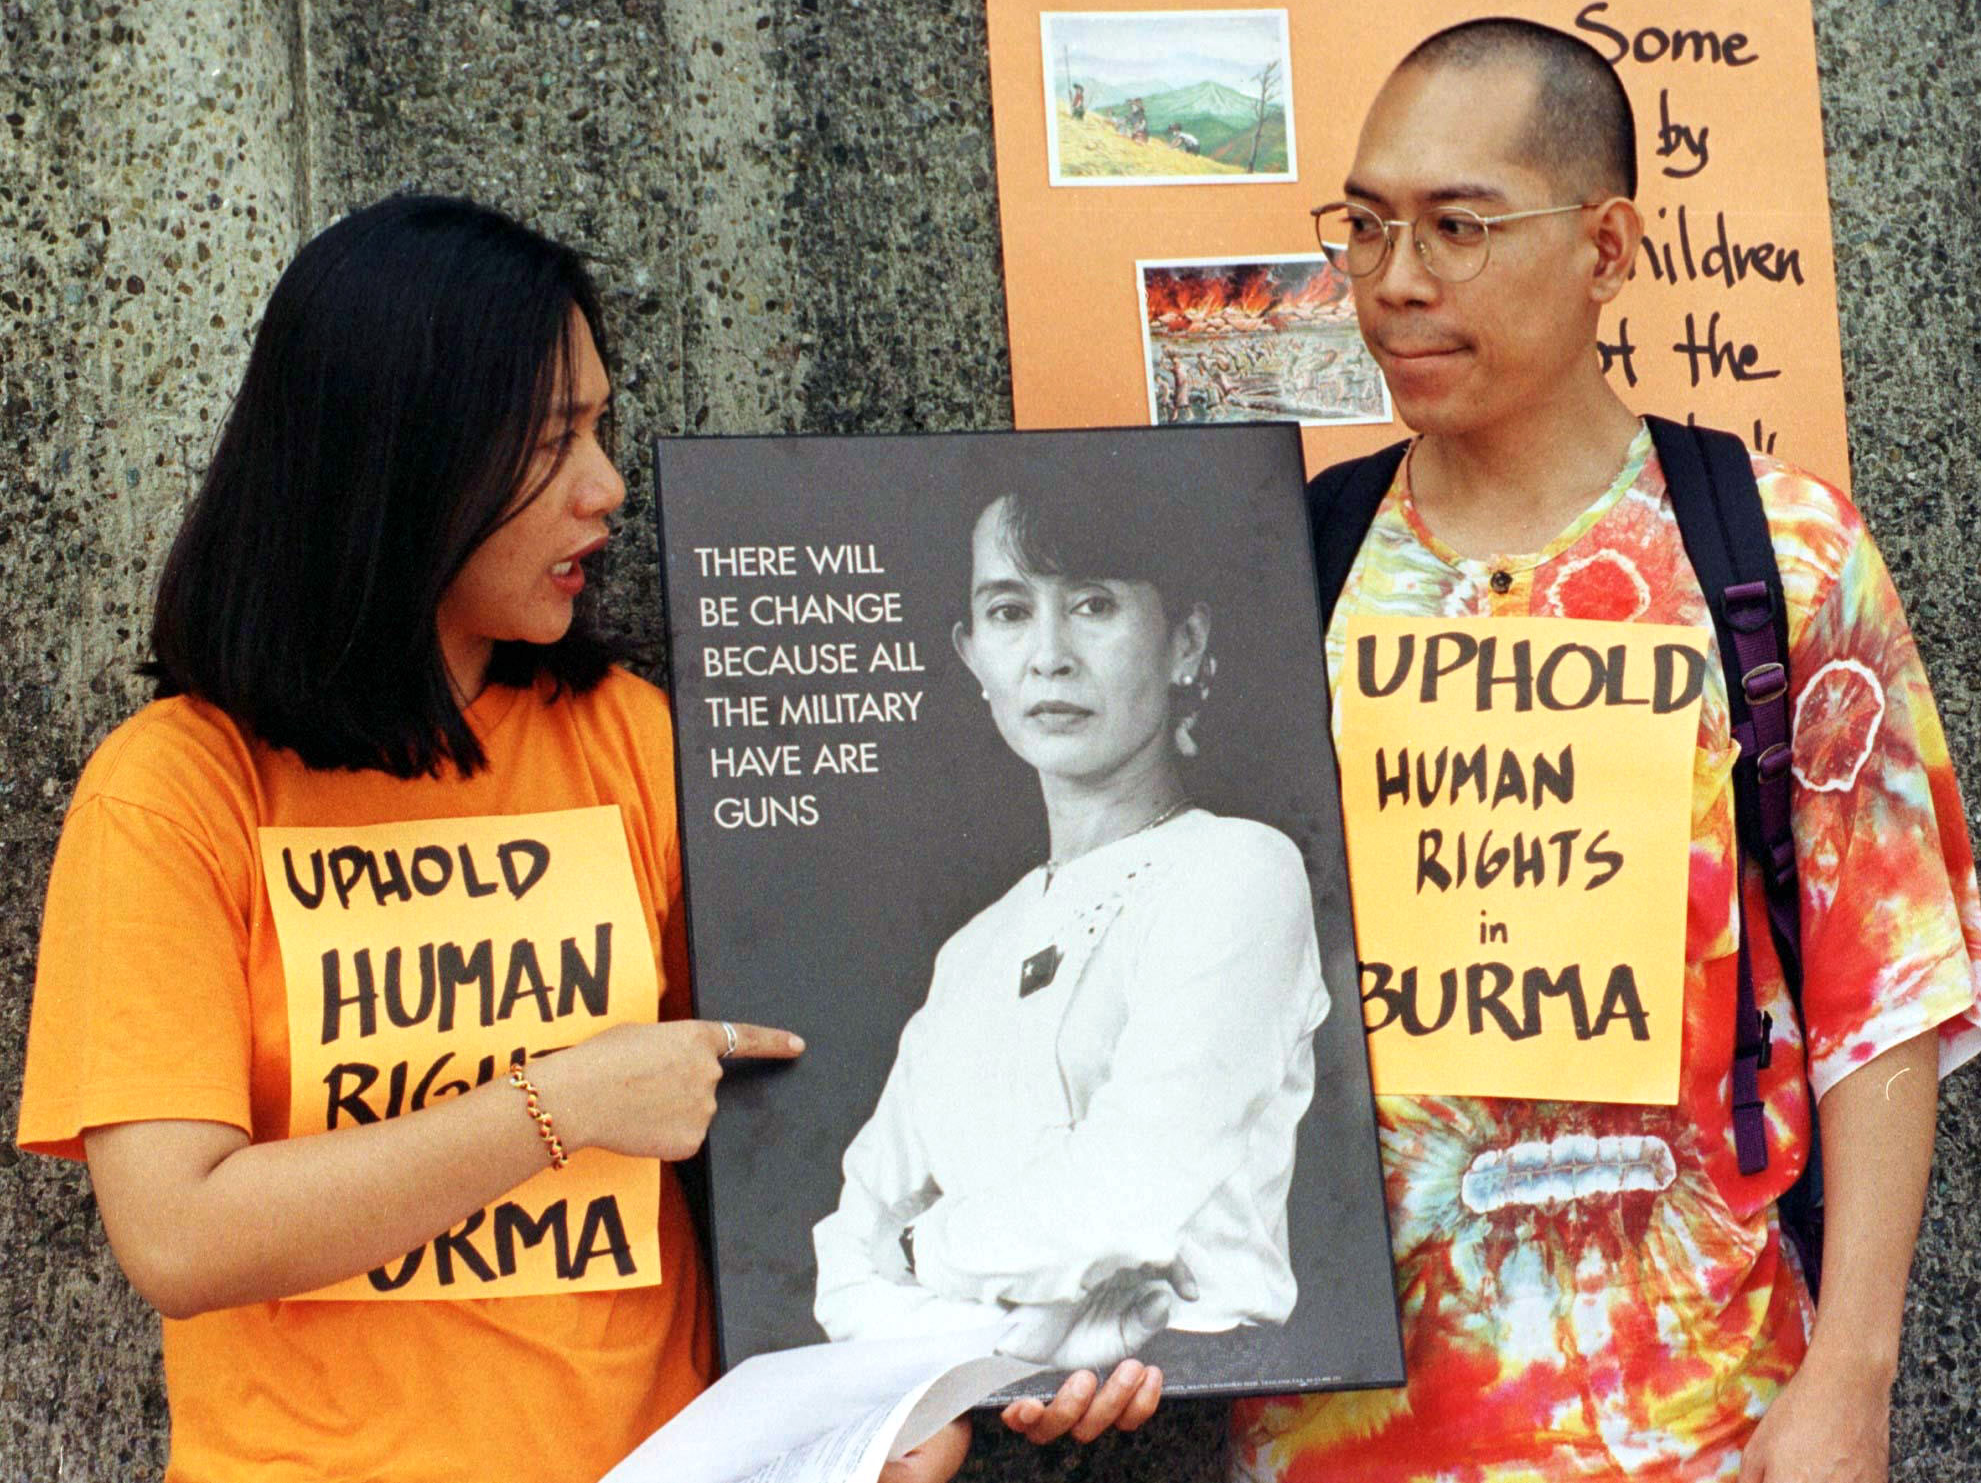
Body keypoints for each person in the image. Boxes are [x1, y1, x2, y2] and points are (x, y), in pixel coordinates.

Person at [13, 193, 1159, 1483]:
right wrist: (557, 1106)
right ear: (404, 455)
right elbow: (179, 1235)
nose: (606, 488)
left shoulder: (634, 740)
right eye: (555, 441)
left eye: (598, 429)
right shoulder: (177, 787)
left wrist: (941, 1384)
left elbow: (818, 1135)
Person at [1233, 18, 1981, 1483]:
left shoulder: (1781, 555)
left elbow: (1880, 991)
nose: (1395, 282)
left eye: (1459, 227)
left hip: (1703, 1415)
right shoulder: (1295, 566)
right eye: (1368, 225)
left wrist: (1854, 1379)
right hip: (1343, 1429)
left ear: (1610, 244)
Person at [812, 477, 1330, 1372]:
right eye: (1010, 612)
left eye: (1093, 604)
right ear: (971, 655)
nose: (1048, 655)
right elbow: (844, 1263)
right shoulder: (972, 951)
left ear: (1185, 642)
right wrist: (1028, 1333)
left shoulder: (1239, 871)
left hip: (1199, 1398)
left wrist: (922, 1255)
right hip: (981, 1410)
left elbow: (1127, 1190)